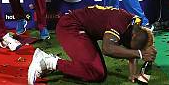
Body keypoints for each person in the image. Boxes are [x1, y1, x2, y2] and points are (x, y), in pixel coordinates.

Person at [27, 6, 156, 84]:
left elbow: (131, 47)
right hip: (70, 27)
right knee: (95, 73)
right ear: (134, 36)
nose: (132, 49)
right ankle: (48, 61)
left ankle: (50, 64)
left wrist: (132, 74)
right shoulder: (120, 23)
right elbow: (108, 49)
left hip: (84, 31)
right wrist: (140, 54)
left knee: (100, 73)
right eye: (135, 47)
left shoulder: (135, 24)